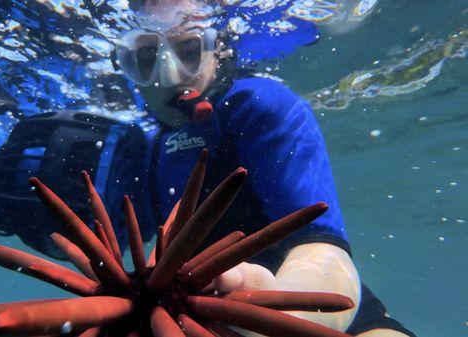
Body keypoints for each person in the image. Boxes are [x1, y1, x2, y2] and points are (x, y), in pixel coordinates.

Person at [108, 0, 416, 336]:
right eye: (147, 59)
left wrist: (269, 313)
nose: (168, 76)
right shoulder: (148, 146)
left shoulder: (260, 107)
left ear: (218, 49)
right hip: (188, 321)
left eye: (189, 50)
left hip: (320, 314)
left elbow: (324, 253)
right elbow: (116, 249)